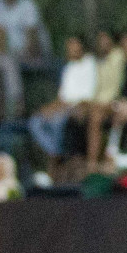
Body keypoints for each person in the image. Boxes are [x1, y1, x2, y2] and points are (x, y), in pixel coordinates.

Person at [27, 35, 97, 174]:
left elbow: (88, 96)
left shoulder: (90, 64)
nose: (70, 49)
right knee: (35, 122)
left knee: (58, 122)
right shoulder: (69, 67)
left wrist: (66, 107)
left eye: (73, 45)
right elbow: (62, 97)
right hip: (65, 106)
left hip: (80, 107)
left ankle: (57, 163)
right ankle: (56, 152)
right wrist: (47, 109)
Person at [85, 30, 126, 170]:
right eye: (100, 39)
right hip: (96, 103)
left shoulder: (118, 56)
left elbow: (116, 88)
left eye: (105, 38)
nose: (103, 43)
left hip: (114, 103)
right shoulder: (95, 60)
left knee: (96, 118)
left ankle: (92, 162)